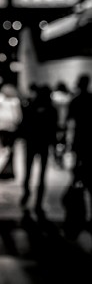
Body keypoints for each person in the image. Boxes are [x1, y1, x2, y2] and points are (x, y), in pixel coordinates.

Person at [19, 85, 58, 212]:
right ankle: (38, 202)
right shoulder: (52, 110)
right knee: (42, 174)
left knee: (28, 170)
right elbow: (53, 130)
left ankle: (27, 192)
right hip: (44, 144)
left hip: (31, 143)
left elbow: (24, 126)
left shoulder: (30, 107)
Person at [65, 74, 92, 228]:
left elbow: (70, 121)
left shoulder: (76, 101)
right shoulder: (90, 99)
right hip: (89, 144)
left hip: (79, 143)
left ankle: (77, 210)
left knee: (78, 176)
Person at [0, 83, 23, 179]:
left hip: (1, 125)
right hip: (10, 126)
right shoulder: (14, 101)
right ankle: (7, 168)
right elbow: (18, 115)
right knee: (9, 147)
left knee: (4, 147)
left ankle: (6, 168)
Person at [51, 81, 72, 168]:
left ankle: (56, 158)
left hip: (55, 122)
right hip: (65, 122)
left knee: (55, 141)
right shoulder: (68, 98)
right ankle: (61, 157)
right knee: (62, 141)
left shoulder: (54, 96)